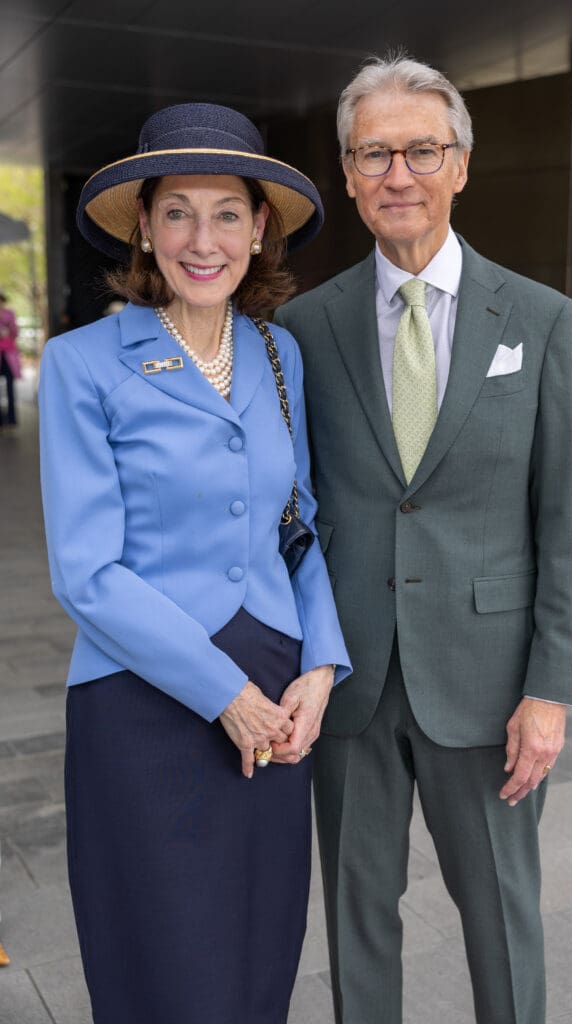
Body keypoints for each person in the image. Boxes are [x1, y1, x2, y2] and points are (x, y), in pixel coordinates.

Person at [275, 55, 572, 1024]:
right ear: (345, 172)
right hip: (350, 681)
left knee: (501, 910)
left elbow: (564, 520)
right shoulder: (302, 326)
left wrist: (548, 690)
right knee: (356, 913)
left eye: (421, 149)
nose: (397, 174)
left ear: (459, 164)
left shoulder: (541, 321)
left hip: (491, 683)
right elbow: (296, 513)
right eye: (374, 153)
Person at [39, 102, 350, 1024]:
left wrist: (322, 668)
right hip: (146, 695)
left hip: (274, 688)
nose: (200, 238)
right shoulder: (83, 363)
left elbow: (301, 531)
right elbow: (86, 572)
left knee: (258, 947)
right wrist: (224, 693)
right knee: (165, 958)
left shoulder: (279, 354)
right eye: (177, 210)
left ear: (260, 230)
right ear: (144, 225)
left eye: (226, 213)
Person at [0, 290, 20, 430]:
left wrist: (9, 328)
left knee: (10, 389)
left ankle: (12, 420)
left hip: (8, 355)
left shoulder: (9, 314)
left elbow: (15, 332)